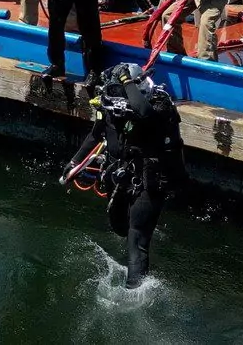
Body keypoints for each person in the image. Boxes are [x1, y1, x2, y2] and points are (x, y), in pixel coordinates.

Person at [60, 63, 187, 289]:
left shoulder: (160, 104)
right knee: (120, 225)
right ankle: (142, 231)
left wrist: (127, 81)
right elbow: (96, 134)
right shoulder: (110, 104)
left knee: (136, 236)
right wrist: (74, 162)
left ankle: (135, 290)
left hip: (153, 177)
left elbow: (144, 113)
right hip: (124, 170)